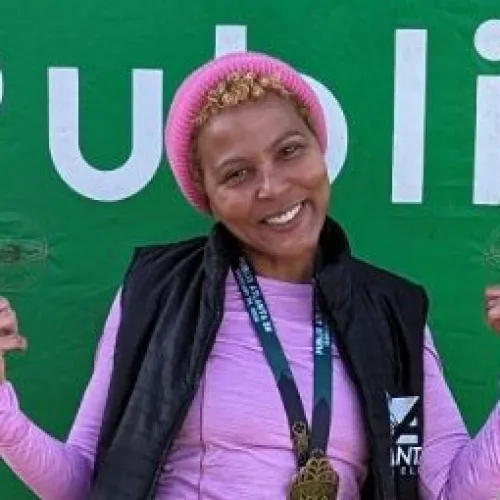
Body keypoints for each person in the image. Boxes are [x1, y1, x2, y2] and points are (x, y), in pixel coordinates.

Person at [1, 51, 500, 500]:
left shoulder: (392, 314)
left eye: (289, 151)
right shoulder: (158, 294)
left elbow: (455, 490)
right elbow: (86, 483)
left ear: (320, 152)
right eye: (237, 174)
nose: (273, 186)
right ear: (208, 197)